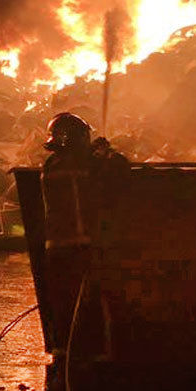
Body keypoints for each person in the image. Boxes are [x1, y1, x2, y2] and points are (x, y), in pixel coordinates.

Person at [39, 112, 128, 365]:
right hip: (80, 245)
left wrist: (95, 153)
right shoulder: (85, 166)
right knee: (91, 301)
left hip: (55, 247)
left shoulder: (51, 165)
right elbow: (120, 168)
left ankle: (63, 353)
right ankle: (94, 359)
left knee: (64, 303)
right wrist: (106, 151)